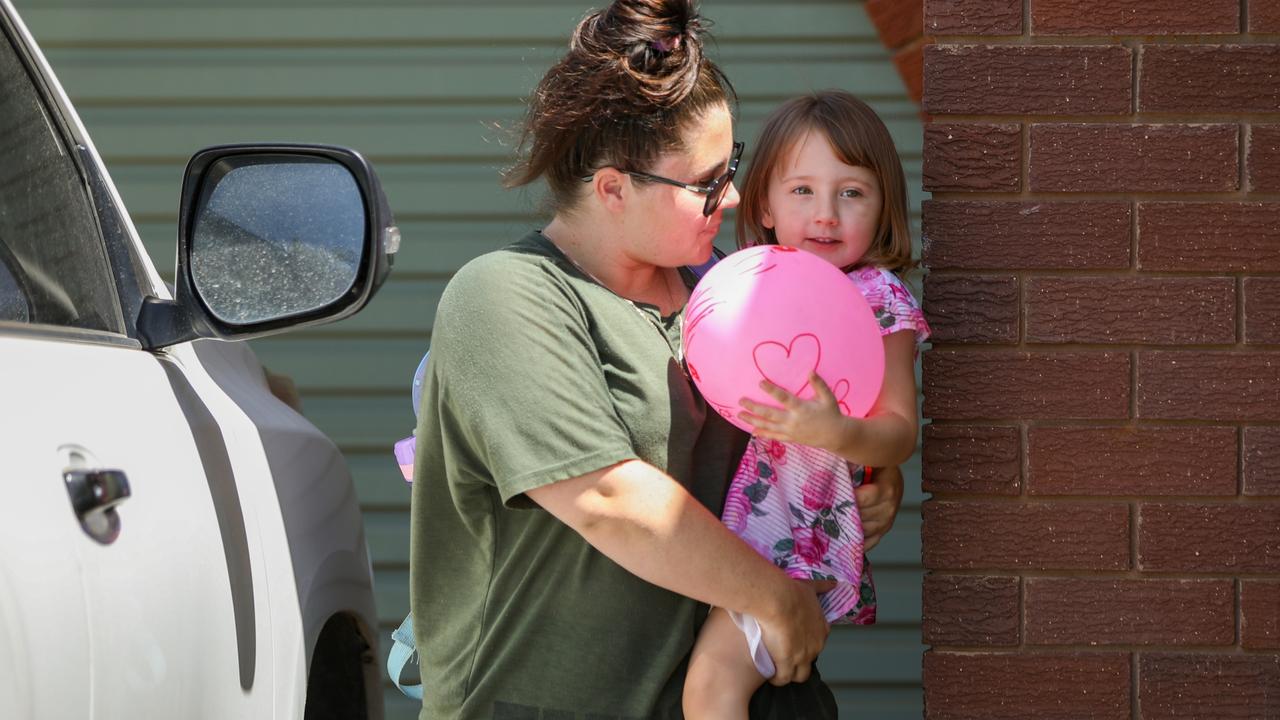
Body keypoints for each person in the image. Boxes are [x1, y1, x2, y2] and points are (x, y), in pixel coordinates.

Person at [409, 1, 905, 715]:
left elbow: (838, 413)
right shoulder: (506, 296)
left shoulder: (735, 287)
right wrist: (776, 598)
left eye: (731, 167)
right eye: (706, 183)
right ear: (613, 188)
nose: (733, 196)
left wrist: (867, 481)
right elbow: (611, 500)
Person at [682, 91, 931, 719]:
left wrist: (837, 431)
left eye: (852, 193)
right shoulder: (746, 285)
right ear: (763, 202)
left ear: (882, 209)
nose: (826, 214)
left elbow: (899, 433)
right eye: (802, 192)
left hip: (805, 531)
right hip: (748, 525)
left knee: (713, 690)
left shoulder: (880, 298)